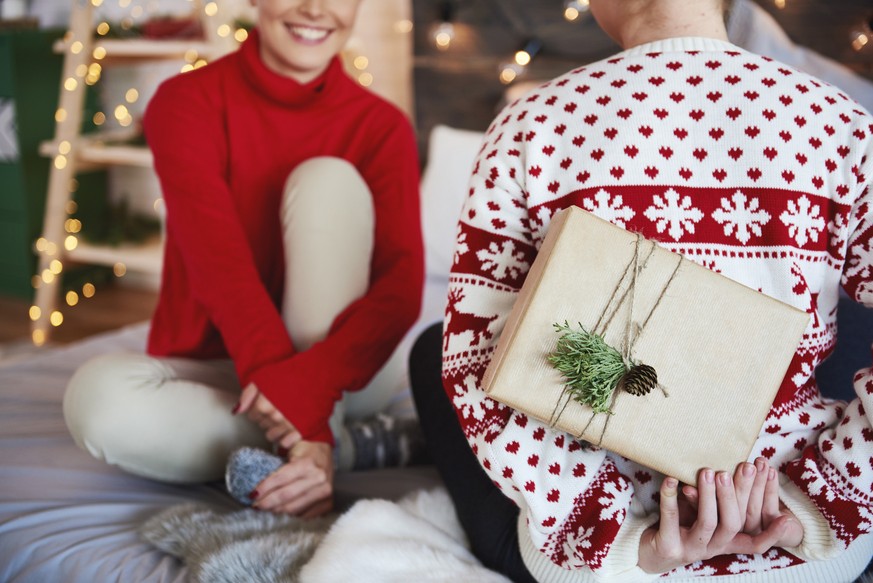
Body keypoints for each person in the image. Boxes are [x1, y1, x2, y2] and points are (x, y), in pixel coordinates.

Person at [410, 0, 873, 580]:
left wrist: (620, 536)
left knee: (436, 351)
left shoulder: (534, 123)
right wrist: (821, 499)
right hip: (799, 544)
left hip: (619, 550)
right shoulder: (840, 121)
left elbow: (477, 362)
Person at [63, 0, 424, 519]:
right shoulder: (185, 103)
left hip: (343, 370)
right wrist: (305, 422)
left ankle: (320, 429)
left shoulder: (381, 125)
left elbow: (401, 287)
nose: (316, 9)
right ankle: (339, 448)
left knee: (328, 179)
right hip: (227, 363)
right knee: (95, 401)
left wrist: (311, 390)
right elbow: (220, 267)